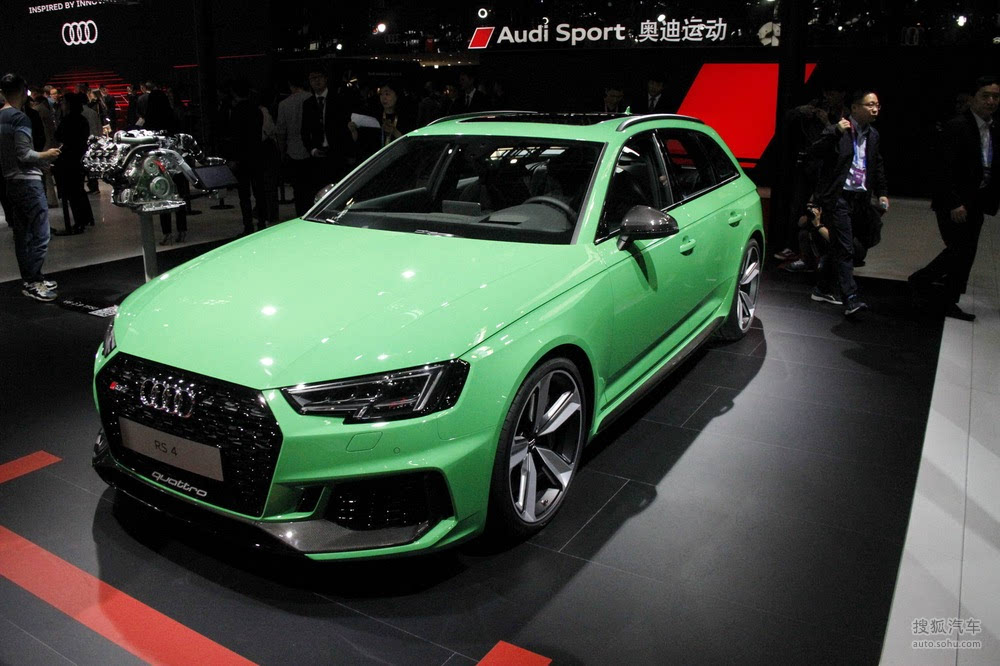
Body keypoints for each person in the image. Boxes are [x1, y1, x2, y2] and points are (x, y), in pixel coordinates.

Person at [909, 75, 999, 321]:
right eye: (985, 96)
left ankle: (948, 300)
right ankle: (921, 280)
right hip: (954, 202)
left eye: (995, 97)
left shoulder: (994, 129)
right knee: (959, 250)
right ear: (972, 99)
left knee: (966, 254)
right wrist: (953, 202)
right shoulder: (957, 126)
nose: (991, 101)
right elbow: (941, 168)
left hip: (978, 201)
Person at [808, 88, 889, 316]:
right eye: (870, 105)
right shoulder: (838, 130)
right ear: (854, 107)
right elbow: (814, 151)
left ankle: (822, 288)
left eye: (877, 105)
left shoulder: (873, 135)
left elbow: (877, 164)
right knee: (845, 248)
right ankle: (851, 298)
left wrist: (882, 192)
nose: (875, 109)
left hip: (860, 198)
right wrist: (834, 132)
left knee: (845, 245)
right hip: (839, 198)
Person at [1, 73, 62, 301]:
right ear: (22, 91)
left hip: (11, 182)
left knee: (22, 235)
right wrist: (47, 155)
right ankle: (34, 281)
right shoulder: (20, 118)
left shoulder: (1, 116)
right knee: (40, 234)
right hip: (27, 182)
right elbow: (24, 154)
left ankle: (30, 278)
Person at [301, 69, 352, 204]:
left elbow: (344, 127)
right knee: (320, 190)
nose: (317, 81)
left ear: (325, 79)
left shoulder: (338, 99)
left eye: (319, 77)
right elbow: (304, 131)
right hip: (318, 154)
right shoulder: (308, 103)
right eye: (313, 78)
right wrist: (312, 149)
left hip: (337, 152)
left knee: (339, 189)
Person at [52, 93, 95, 235]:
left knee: (72, 192)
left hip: (70, 158)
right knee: (79, 189)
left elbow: (58, 135)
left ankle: (79, 223)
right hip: (80, 156)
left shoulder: (68, 119)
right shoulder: (82, 119)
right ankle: (86, 218)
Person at [275, 77, 312, 216]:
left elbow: (281, 131)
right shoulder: (311, 98)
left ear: (290, 85)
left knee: (298, 188)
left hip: (292, 149)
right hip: (311, 149)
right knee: (312, 186)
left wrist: (282, 151)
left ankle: (300, 213)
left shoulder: (284, 104)